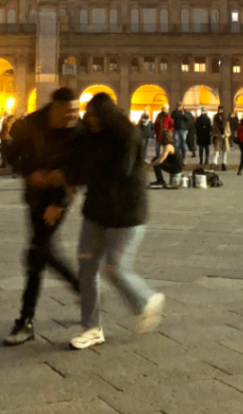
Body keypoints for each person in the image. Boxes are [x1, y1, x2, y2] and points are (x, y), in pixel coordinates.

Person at [67, 93, 164, 350]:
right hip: (97, 211)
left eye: (94, 115)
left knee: (115, 268)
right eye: (89, 115)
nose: (91, 120)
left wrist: (83, 172)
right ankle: (91, 328)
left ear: (106, 116)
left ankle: (145, 300)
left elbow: (118, 172)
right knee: (86, 268)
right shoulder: (88, 136)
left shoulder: (127, 136)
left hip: (126, 212)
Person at [2, 88, 81, 347]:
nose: (73, 115)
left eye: (76, 110)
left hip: (58, 199)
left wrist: (62, 201)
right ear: (55, 108)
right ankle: (81, 288)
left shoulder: (77, 132)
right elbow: (12, 153)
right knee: (43, 251)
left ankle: (25, 321)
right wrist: (29, 172)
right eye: (69, 110)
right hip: (36, 195)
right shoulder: (31, 124)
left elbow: (80, 168)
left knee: (38, 253)